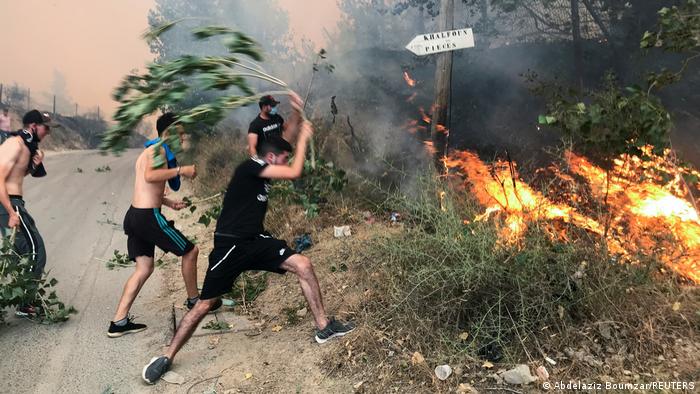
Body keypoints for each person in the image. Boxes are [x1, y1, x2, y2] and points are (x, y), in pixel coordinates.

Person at [142, 108, 354, 385]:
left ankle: (324, 327)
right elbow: (294, 170)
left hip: (256, 239)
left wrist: (296, 120)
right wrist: (304, 139)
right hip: (230, 245)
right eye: (282, 158)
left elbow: (280, 142)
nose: (284, 161)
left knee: (303, 264)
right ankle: (166, 357)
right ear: (270, 158)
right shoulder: (251, 166)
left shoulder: (263, 165)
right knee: (205, 304)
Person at [107, 113, 220, 338]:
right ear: (168, 132)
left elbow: (144, 186)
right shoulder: (157, 150)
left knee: (144, 268)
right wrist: (181, 170)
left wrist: (168, 201)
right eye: (179, 133)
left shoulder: (148, 151)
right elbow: (150, 176)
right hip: (148, 217)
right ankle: (194, 301)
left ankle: (118, 321)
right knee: (191, 251)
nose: (182, 138)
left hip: (136, 215)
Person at [0, 110, 54, 316]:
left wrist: (34, 166)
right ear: (33, 126)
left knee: (16, 255)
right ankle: (25, 302)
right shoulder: (14, 144)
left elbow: (16, 174)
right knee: (35, 250)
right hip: (9, 204)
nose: (48, 132)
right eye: (46, 127)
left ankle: (16, 297)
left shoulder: (25, 146)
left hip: (14, 203)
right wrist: (11, 212)